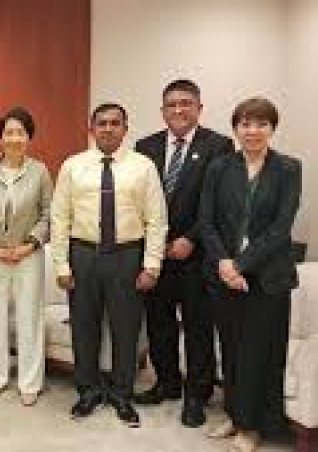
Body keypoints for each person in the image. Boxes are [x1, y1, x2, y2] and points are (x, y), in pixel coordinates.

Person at [50, 103, 167, 428]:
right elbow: (59, 218)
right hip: (83, 254)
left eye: (115, 123)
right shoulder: (73, 166)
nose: (108, 128)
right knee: (84, 327)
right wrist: (61, 265)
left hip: (127, 256)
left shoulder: (143, 167)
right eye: (101, 123)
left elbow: (156, 219)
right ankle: (87, 391)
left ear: (125, 129)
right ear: (91, 128)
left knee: (126, 329)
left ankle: (122, 394)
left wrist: (152, 265)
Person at [200, 97, 301, 452]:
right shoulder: (219, 167)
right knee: (231, 349)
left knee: (259, 353)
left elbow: (281, 228)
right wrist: (224, 264)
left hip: (268, 277)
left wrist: (240, 264)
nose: (253, 131)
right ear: (236, 129)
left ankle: (253, 426)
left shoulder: (288, 168)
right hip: (224, 273)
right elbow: (206, 221)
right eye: (245, 124)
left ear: (272, 128)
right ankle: (234, 414)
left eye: (261, 124)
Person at [134, 79, 233, 427]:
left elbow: (219, 201)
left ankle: (197, 394)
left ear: (199, 108)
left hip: (197, 255)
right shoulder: (145, 146)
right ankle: (167, 383)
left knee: (197, 328)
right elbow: (139, 200)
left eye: (185, 103)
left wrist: (191, 238)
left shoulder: (218, 146)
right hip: (157, 254)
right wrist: (153, 243)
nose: (178, 110)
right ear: (162, 111)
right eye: (171, 104)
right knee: (159, 323)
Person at [0, 107, 53, 406]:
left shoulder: (40, 171)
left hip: (28, 254)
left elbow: (48, 214)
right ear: (0, 137)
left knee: (29, 317)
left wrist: (29, 245)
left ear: (29, 137)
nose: (15, 138)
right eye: (9, 132)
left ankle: (30, 383)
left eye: (21, 132)